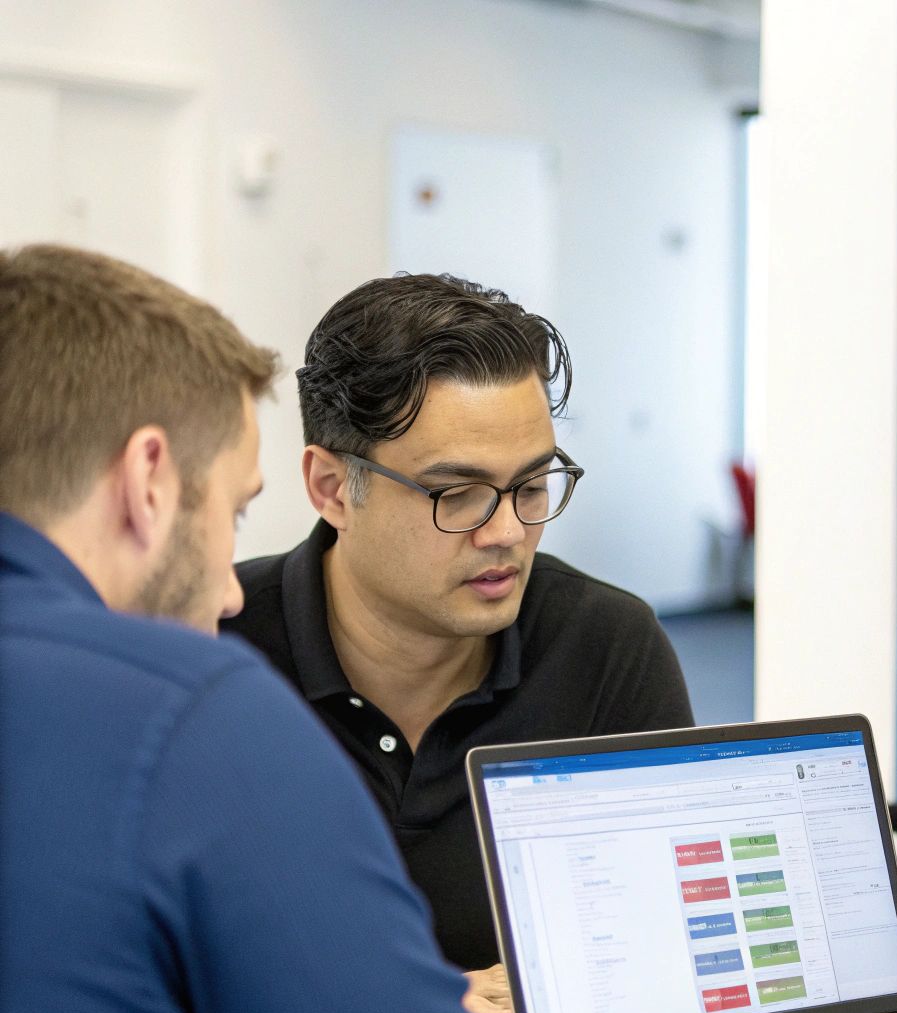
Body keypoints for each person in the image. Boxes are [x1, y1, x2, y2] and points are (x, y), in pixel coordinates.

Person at [0, 244, 506, 1013]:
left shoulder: (607, 639)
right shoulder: (193, 709)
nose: (231, 592)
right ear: (147, 481)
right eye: (234, 512)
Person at [221, 273, 694, 971]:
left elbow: (666, 948)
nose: (507, 532)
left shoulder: (606, 645)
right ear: (331, 488)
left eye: (531, 485)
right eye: (457, 494)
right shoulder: (208, 646)